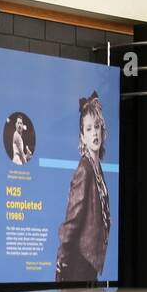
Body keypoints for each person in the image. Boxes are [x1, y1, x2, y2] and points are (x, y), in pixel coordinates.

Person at [55, 92, 111, 282]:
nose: (94, 133)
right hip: (79, 263)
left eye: (97, 127)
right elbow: (72, 220)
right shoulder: (84, 170)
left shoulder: (97, 168)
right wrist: (61, 260)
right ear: (82, 136)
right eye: (89, 129)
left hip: (90, 262)